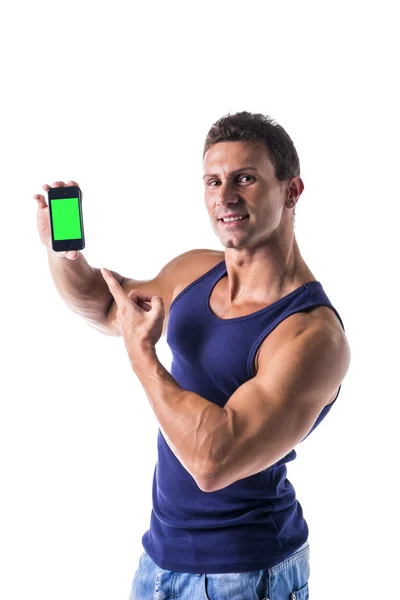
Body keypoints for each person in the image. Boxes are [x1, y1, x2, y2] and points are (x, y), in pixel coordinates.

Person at [34, 111, 351, 600]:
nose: (225, 197)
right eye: (213, 180)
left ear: (292, 191)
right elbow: (102, 304)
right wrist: (63, 253)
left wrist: (143, 358)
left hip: (245, 573)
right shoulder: (194, 271)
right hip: (160, 560)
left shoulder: (310, 335)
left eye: (245, 179)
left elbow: (212, 462)